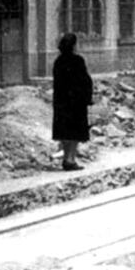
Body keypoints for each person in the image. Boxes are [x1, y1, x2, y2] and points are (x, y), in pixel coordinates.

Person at [52, 33, 93, 171]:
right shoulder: (78, 60)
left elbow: (57, 83)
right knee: (75, 131)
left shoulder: (58, 61)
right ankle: (71, 159)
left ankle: (65, 158)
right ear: (74, 45)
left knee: (64, 131)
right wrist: (87, 97)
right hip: (76, 101)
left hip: (61, 101)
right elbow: (85, 80)